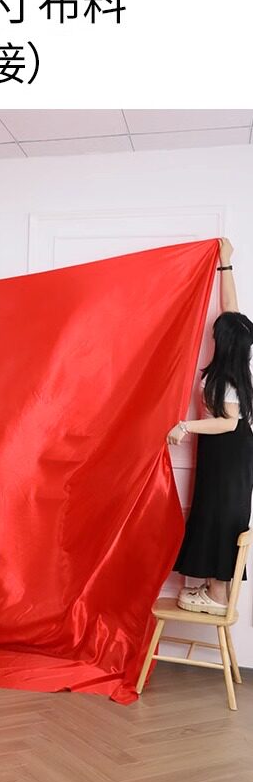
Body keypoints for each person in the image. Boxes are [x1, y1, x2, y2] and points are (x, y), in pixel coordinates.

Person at [167, 238, 253, 615]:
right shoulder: (238, 357)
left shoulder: (226, 379)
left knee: (220, 512)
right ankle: (214, 587)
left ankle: (217, 596)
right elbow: (231, 313)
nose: (214, 334)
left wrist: (185, 426)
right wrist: (225, 263)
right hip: (230, 453)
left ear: (225, 343)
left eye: (218, 333)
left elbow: (229, 422)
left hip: (228, 450)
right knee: (218, 509)